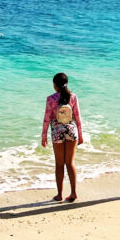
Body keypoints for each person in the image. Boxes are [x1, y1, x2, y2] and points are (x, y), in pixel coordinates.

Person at [41, 72, 83, 202]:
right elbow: (77, 117)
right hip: (72, 131)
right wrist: (80, 135)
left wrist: (44, 136)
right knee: (70, 163)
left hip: (57, 132)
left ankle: (59, 194)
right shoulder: (73, 97)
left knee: (59, 164)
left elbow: (47, 119)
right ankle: (73, 193)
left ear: (55, 85)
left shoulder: (51, 99)